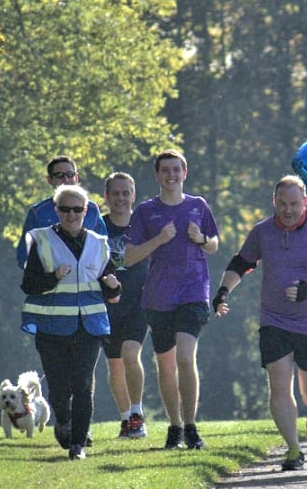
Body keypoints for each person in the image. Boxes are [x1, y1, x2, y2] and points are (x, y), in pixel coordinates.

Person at [212, 175, 307, 470]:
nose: (288, 210)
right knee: (279, 386)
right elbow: (241, 263)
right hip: (274, 319)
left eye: (294, 204)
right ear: (274, 201)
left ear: (305, 202)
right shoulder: (263, 231)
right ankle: (294, 449)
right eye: (282, 204)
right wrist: (223, 291)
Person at [123, 150, 219, 450]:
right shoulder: (145, 211)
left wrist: (201, 239)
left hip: (193, 291)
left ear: (184, 173)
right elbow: (129, 257)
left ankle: (191, 427)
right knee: (165, 366)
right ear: (157, 175)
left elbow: (214, 245)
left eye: (176, 170)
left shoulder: (198, 205)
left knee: (185, 358)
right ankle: (175, 426)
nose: (171, 175)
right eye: (165, 170)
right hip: (159, 296)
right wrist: (158, 240)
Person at [20, 184, 121, 459]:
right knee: (59, 386)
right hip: (52, 327)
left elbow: (112, 293)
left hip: (90, 327)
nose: (71, 214)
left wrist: (114, 286)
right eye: (65, 209)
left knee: (83, 384)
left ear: (85, 211)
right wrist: (53, 277)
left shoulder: (98, 243)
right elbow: (28, 285)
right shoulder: (42, 240)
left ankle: (78, 445)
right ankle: (63, 420)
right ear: (57, 211)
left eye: (77, 209)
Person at [102, 173, 150, 439]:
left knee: (131, 354)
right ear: (107, 196)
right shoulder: (99, 226)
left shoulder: (144, 224)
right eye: (115, 193)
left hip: (139, 302)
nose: (120, 198)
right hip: (108, 304)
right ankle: (125, 419)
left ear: (133, 195)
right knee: (115, 364)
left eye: (126, 193)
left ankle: (137, 415)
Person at [17, 156, 107, 269]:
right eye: (59, 175)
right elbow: (24, 255)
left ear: (76, 178)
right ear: (49, 180)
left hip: (87, 277)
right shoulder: (38, 213)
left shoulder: (92, 209)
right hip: (52, 278)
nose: (66, 180)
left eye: (70, 174)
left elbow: (105, 249)